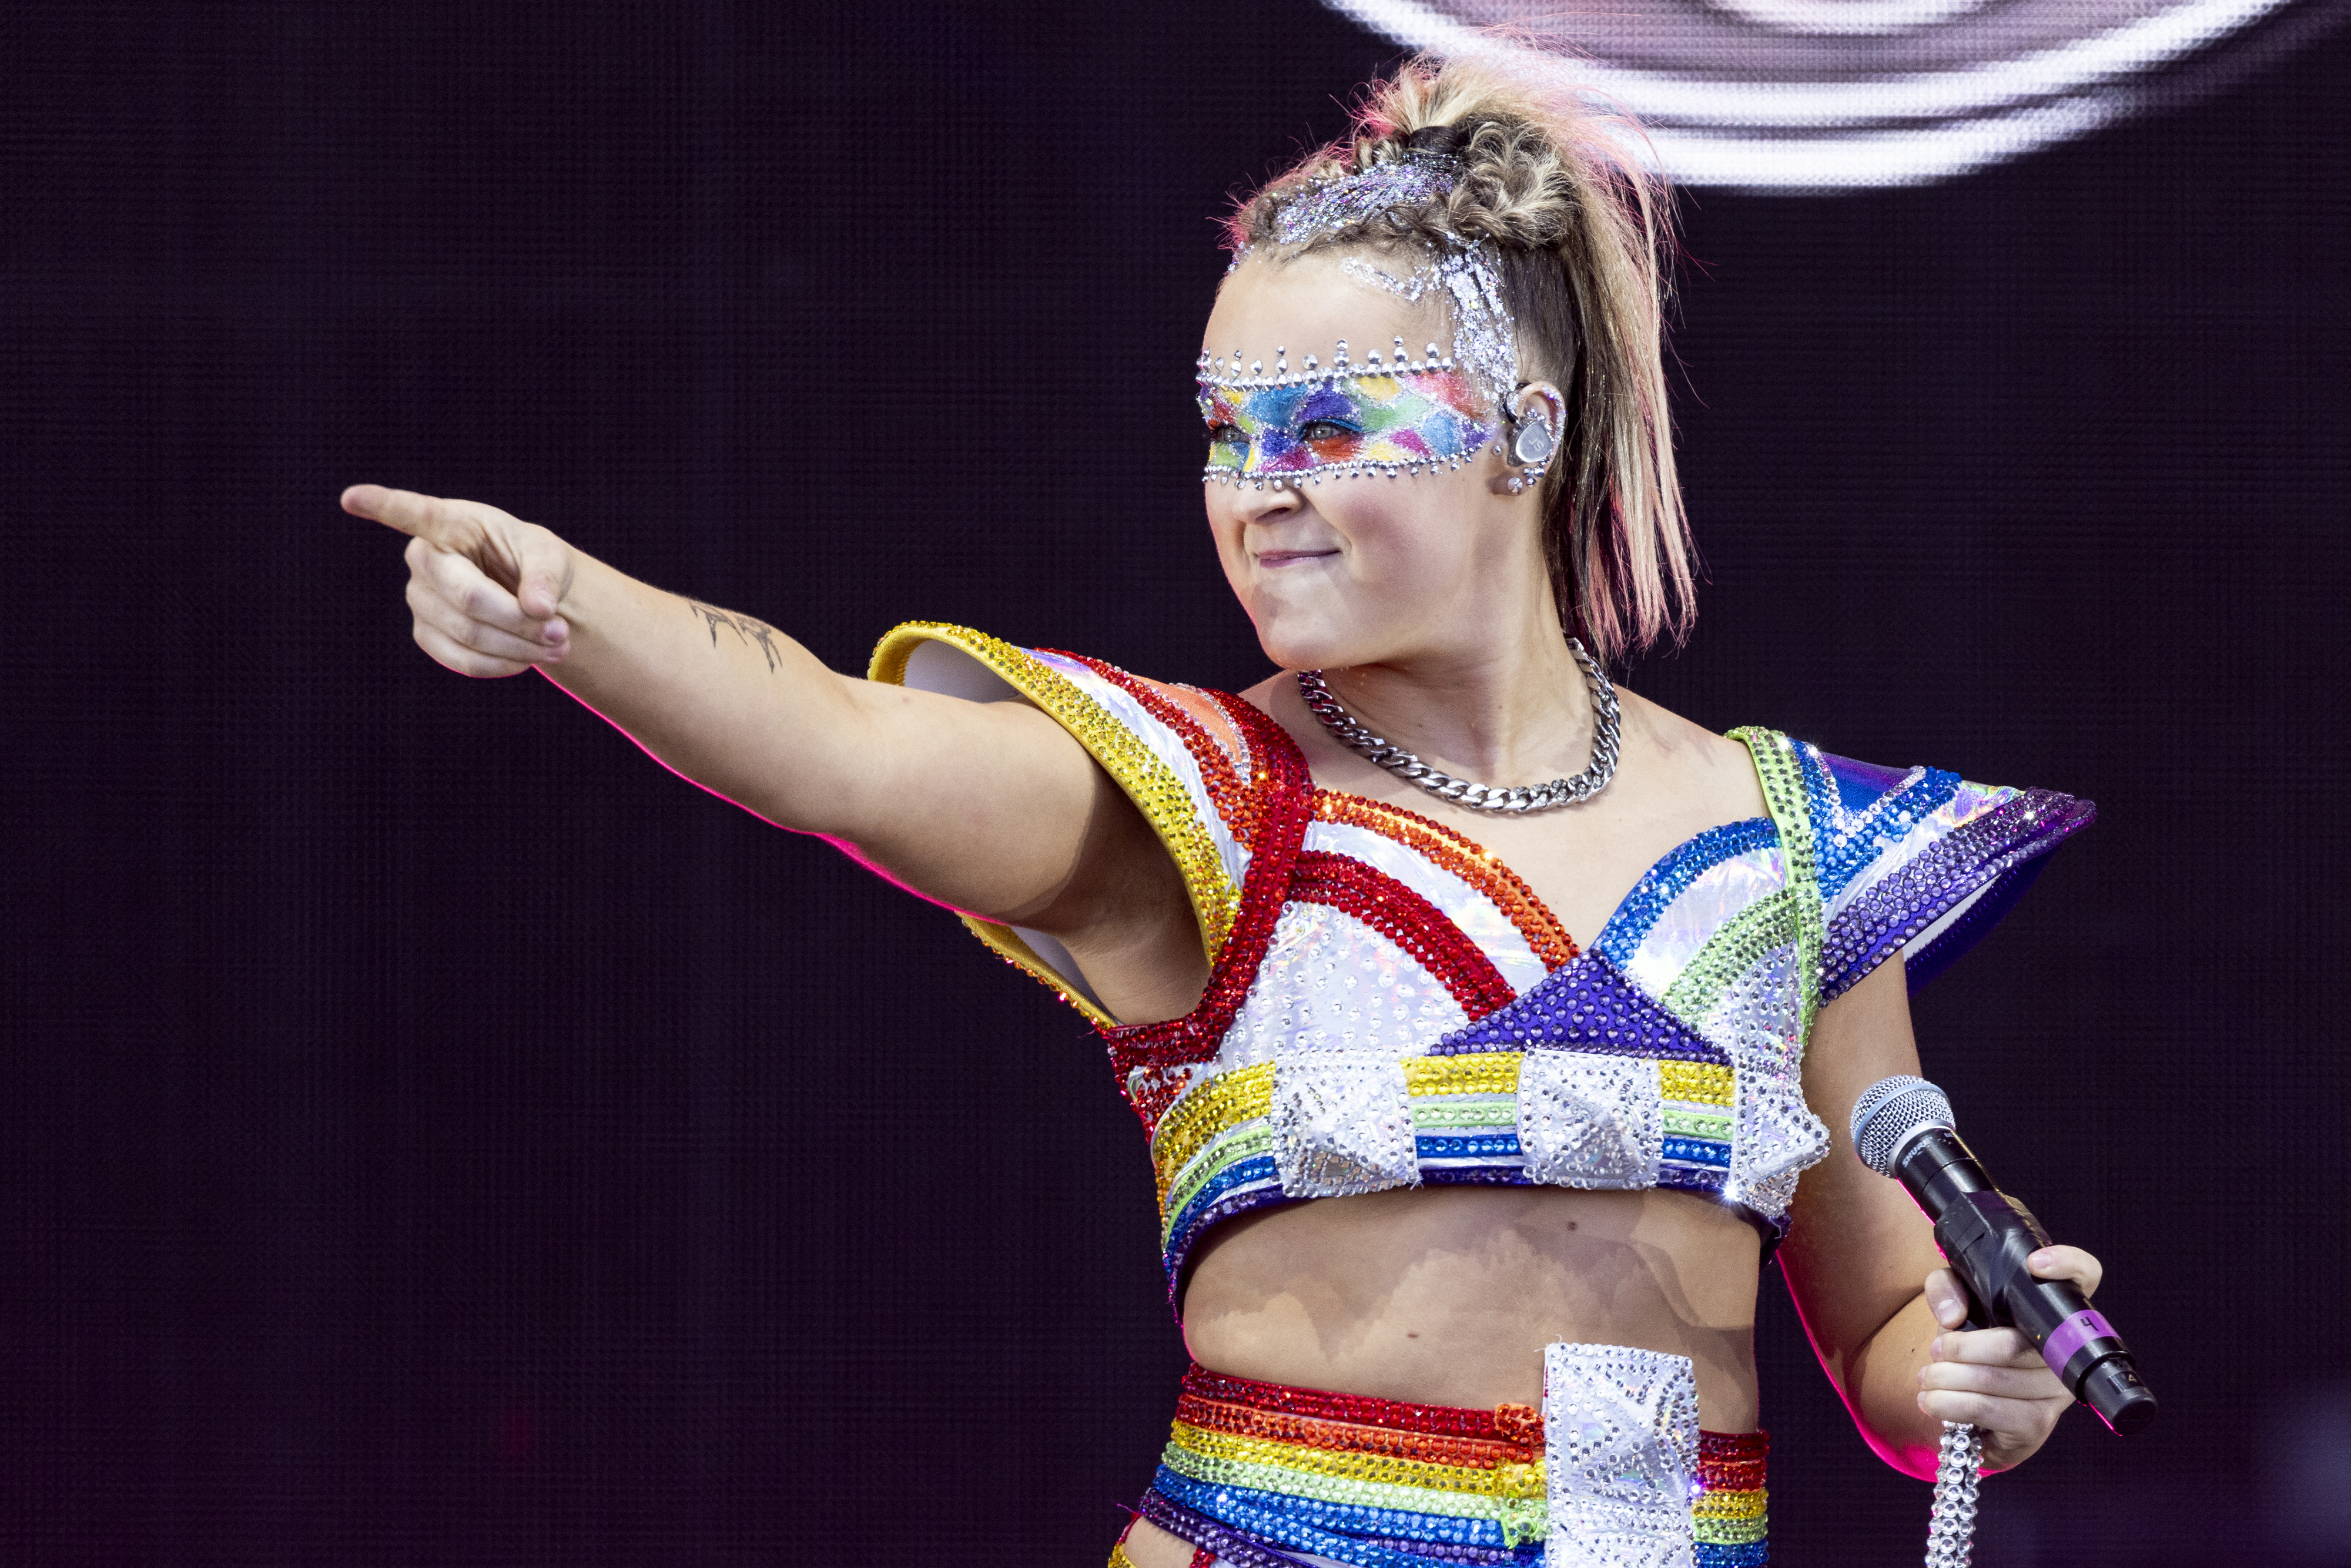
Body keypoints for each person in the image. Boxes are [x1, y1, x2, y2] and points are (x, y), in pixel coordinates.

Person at [344, 53, 2106, 1568]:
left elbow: (1893, 1337)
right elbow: (828, 742)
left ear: (1527, 428)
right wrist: (570, 604)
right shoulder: (1207, 805)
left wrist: (1981, 1371)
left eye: (1330, 424)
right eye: (1221, 431)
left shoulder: (1793, 846)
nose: (1257, 492)